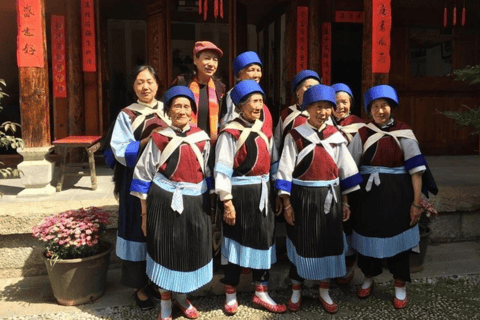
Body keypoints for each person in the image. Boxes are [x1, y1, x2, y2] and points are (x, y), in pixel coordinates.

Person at [276, 84, 362, 314]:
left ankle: (324, 291)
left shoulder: (337, 138)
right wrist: (287, 205)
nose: (322, 112)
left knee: (328, 243)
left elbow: (345, 172)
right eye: (317, 107)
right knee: (301, 243)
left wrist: (345, 202)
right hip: (302, 199)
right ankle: (296, 291)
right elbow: (284, 171)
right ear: (307, 109)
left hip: (330, 199)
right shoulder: (295, 136)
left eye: (327, 107)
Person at [130, 86, 213, 320]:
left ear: (193, 111)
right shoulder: (159, 138)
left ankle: (182, 298)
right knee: (166, 250)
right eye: (177, 105)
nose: (182, 110)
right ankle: (165, 303)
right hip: (164, 202)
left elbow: (207, 172)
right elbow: (143, 175)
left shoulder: (203, 139)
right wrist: (144, 215)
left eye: (187, 106)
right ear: (167, 110)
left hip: (195, 203)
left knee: (189, 250)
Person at [348, 85, 434, 309]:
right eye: (375, 106)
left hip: (398, 197)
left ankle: (399, 284)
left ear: (392, 108)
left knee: (398, 240)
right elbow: (349, 166)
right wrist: (348, 199)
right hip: (367, 198)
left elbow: (417, 171)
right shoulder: (362, 134)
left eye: (384, 105)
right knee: (367, 237)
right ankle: (368, 277)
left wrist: (416, 203)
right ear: (370, 110)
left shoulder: (404, 133)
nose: (380, 110)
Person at [214, 80, 285, 315]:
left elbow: (273, 163)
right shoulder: (230, 133)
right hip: (240, 194)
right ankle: (230, 293)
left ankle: (261, 291)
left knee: (264, 240)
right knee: (236, 241)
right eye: (254, 101)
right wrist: (227, 202)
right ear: (241, 106)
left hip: (264, 192)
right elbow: (222, 169)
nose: (258, 106)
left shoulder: (265, 130)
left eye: (261, 101)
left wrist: (276, 193)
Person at [105, 65, 170, 310]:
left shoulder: (169, 109)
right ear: (133, 86)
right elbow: (120, 150)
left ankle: (158, 280)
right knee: (136, 229)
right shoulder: (127, 115)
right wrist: (146, 141)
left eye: (150, 82)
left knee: (159, 229)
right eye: (140, 82)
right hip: (134, 180)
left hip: (163, 180)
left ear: (157, 84)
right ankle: (139, 286)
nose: (146, 87)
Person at [330, 83, 366, 285]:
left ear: (351, 103)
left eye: (344, 101)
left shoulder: (359, 126)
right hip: (328, 185)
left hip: (351, 184)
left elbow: (359, 158)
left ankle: (349, 263)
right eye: (336, 102)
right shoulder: (323, 124)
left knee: (348, 224)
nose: (340, 106)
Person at [171, 41, 226, 142]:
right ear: (195, 60)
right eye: (207, 58)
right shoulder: (183, 82)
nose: (211, 64)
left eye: (215, 60)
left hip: (211, 145)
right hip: (185, 142)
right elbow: (170, 110)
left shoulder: (219, 87)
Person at [219, 51, 272, 133]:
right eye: (251, 70)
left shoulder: (258, 93)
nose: (256, 75)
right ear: (240, 75)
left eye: (258, 70)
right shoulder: (234, 94)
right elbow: (229, 125)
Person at [273, 70, 321, 154]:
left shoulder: (324, 114)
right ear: (297, 91)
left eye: (316, 88)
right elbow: (277, 143)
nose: (313, 91)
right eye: (309, 87)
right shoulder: (287, 114)